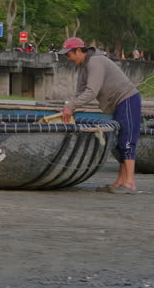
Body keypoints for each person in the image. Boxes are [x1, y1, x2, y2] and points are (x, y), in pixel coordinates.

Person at [57, 37, 143, 193]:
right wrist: (70, 108)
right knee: (119, 143)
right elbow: (80, 91)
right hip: (117, 104)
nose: (68, 58)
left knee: (127, 141)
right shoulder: (83, 66)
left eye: (69, 55)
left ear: (78, 51)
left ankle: (130, 183)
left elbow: (91, 92)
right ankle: (120, 181)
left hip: (127, 99)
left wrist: (71, 106)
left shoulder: (95, 62)